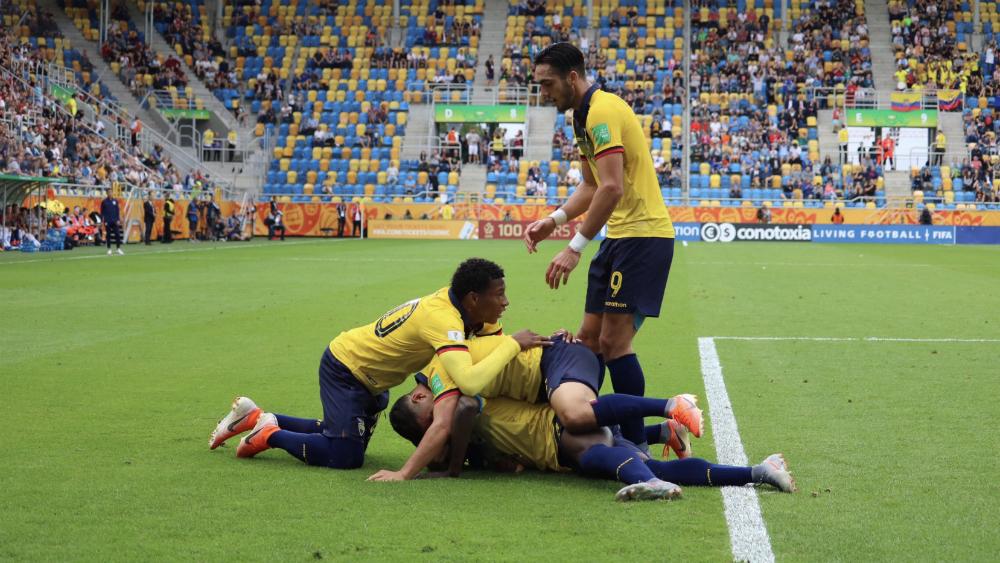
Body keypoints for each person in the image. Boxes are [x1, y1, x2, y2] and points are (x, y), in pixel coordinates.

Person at [207, 259, 550, 478]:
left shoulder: (462, 311)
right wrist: (511, 344)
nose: (506, 302)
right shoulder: (444, 319)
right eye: (500, 294)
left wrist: (560, 341)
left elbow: (490, 348)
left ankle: (257, 417)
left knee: (337, 432)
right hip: (347, 368)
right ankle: (268, 434)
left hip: (372, 379)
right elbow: (469, 381)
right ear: (473, 298)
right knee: (344, 456)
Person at [525, 43, 675, 454]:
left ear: (572, 78)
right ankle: (594, 419)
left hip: (642, 237)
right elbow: (591, 185)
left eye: (548, 84)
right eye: (539, 86)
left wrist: (574, 247)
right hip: (619, 237)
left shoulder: (603, 110)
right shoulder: (580, 117)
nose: (543, 94)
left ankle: (637, 443)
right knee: (589, 340)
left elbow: (612, 186)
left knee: (614, 343)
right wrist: (554, 220)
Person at [395, 393, 795, 501]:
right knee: (664, 470)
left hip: (559, 428)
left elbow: (464, 408)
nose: (440, 427)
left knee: (595, 456)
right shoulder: (466, 437)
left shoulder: (462, 398)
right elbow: (511, 462)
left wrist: (450, 471)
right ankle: (760, 471)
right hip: (557, 447)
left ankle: (651, 470)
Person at [100, 189, 124, 255]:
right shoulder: (104, 202)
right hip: (107, 220)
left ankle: (118, 248)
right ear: (107, 193)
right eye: (109, 192)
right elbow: (102, 212)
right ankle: (109, 249)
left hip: (115, 221)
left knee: (117, 234)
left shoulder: (115, 201)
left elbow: (117, 211)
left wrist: (118, 219)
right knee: (108, 234)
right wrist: (101, 220)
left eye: (111, 192)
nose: (110, 193)